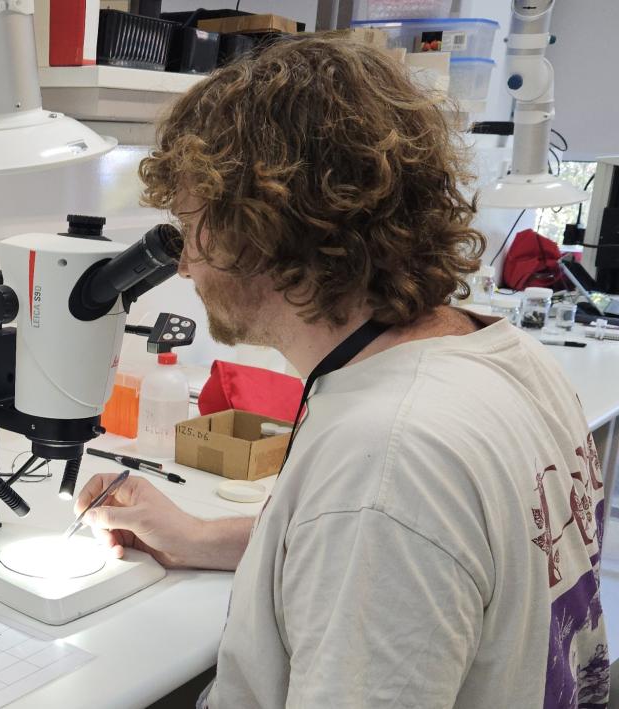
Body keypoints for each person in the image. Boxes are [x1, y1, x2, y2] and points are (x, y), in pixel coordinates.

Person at [75, 35, 609, 708]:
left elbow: (380, 524)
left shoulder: (387, 460)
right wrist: (198, 536)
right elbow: (399, 554)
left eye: (194, 228)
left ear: (263, 228)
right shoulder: (501, 358)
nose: (184, 267)